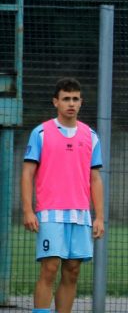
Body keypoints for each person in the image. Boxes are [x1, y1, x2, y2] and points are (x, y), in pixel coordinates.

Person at [21, 77, 105, 313]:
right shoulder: (41, 133)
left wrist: (99, 216)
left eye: (75, 99)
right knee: (50, 268)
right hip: (50, 214)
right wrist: (28, 210)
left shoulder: (91, 136)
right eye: (66, 99)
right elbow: (27, 174)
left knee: (73, 271)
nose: (71, 103)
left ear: (81, 102)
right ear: (55, 102)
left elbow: (95, 178)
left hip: (80, 215)